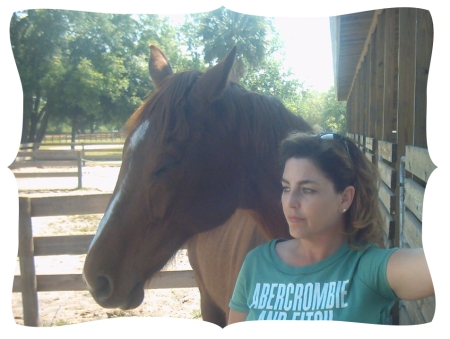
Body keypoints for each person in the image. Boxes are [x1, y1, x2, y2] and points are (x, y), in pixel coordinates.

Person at [228, 132, 434, 324]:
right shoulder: (256, 263)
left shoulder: (367, 269)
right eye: (286, 188)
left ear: (344, 198)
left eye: (307, 190)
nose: (290, 201)